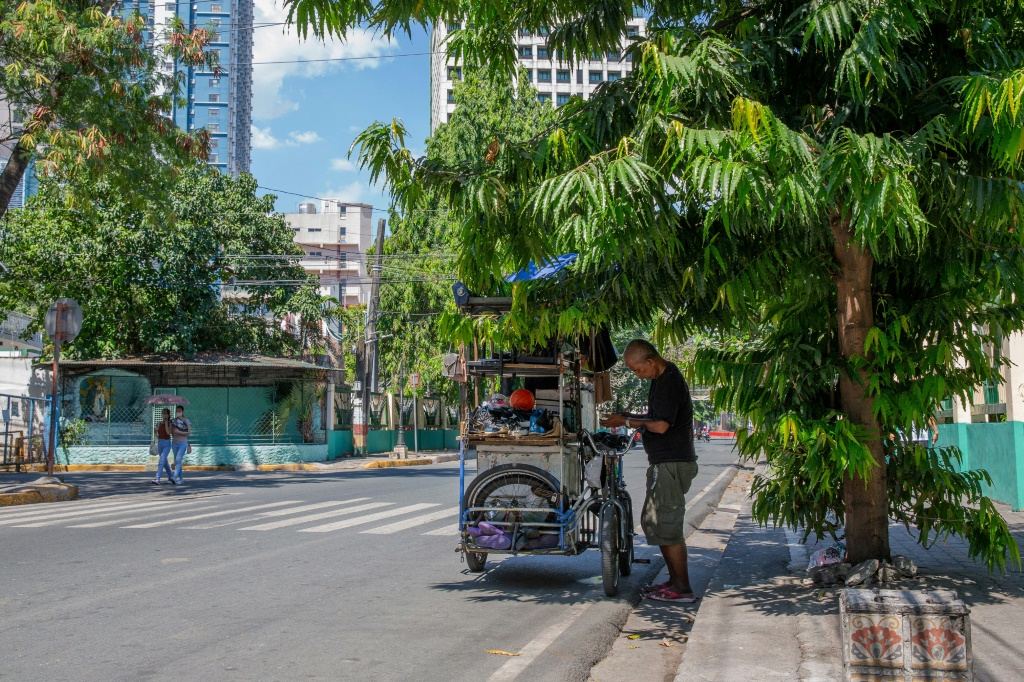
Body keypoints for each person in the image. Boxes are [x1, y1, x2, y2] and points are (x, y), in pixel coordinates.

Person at [601, 339, 699, 604]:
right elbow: (654, 417)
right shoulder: (660, 379)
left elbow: (662, 426)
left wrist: (627, 421)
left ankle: (682, 588)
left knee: (666, 523)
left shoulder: (668, 382)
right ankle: (674, 581)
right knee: (656, 522)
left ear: (650, 362)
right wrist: (628, 414)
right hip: (665, 462)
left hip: (672, 462)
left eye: (637, 370)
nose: (637, 375)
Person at [151, 408, 176, 485]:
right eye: (163, 413)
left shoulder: (170, 423)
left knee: (162, 460)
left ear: (168, 415)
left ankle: (157, 478)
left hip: (167, 443)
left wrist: (165, 422)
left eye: (165, 413)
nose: (164, 415)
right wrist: (155, 431)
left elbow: (168, 433)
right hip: (160, 442)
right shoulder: (158, 423)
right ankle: (171, 475)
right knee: (164, 461)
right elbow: (157, 434)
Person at [169, 405, 191, 485]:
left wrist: (179, 432)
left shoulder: (186, 421)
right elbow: (171, 433)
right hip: (174, 442)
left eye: (179, 411)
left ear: (182, 412)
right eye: (177, 411)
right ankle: (181, 479)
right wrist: (172, 429)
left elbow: (188, 432)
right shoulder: (173, 421)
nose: (178, 412)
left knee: (178, 459)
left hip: (183, 443)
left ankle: (174, 477)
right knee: (177, 461)